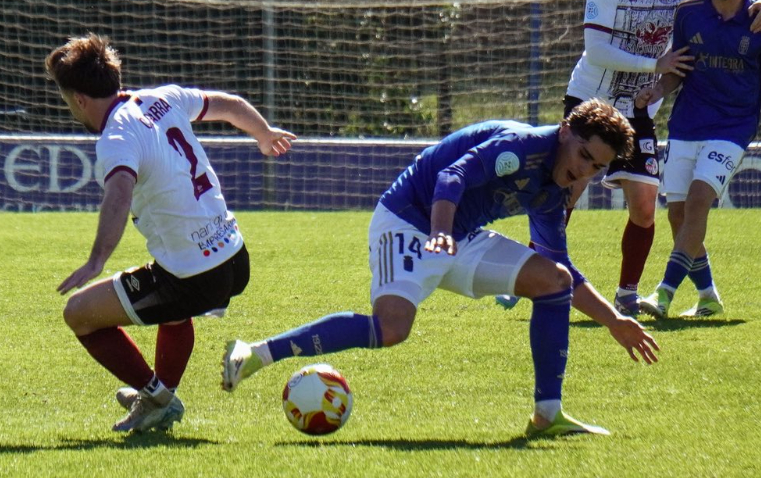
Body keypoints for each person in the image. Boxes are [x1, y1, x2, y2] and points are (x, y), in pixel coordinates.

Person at [221, 99, 660, 437]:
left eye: (596, 167)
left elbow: (560, 262)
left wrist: (614, 321)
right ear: (564, 131)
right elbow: (452, 176)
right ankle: (256, 353)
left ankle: (548, 415)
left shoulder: (554, 191)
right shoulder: (519, 146)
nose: (583, 172)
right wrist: (441, 232)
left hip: (458, 235)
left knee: (553, 280)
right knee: (392, 329)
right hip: (410, 220)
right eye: (583, 155)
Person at [48, 33, 295, 433]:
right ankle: (161, 397)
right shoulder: (163, 97)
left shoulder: (116, 137)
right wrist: (263, 133)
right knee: (173, 308)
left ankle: (156, 397)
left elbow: (119, 194)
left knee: (79, 314)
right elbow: (230, 105)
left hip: (194, 275)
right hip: (235, 257)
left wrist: (96, 260)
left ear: (78, 99)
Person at [561, 0, 761, 317]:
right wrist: (654, 65)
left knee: (646, 206)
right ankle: (535, 277)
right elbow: (596, 50)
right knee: (568, 191)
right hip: (591, 99)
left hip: (638, 109)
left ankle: (627, 294)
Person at [633, 0, 761, 318]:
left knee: (697, 202)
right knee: (677, 216)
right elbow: (679, 69)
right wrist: (657, 89)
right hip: (687, 123)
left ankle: (663, 293)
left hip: (733, 127)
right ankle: (708, 296)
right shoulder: (688, 14)